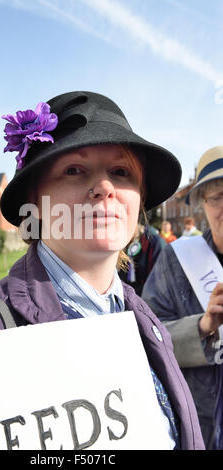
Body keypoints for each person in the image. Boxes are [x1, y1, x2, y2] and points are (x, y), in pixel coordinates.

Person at [0, 91, 204, 450]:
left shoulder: (144, 319)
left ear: (139, 201)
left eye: (121, 172)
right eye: (74, 170)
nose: (105, 188)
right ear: (34, 200)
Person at [142, 145, 223, 449]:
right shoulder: (176, 261)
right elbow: (148, 339)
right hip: (202, 426)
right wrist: (202, 326)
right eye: (218, 197)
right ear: (202, 203)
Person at [119, 223, 165, 296]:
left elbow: (159, 276)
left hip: (148, 294)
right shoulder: (133, 240)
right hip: (132, 291)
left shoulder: (155, 242)